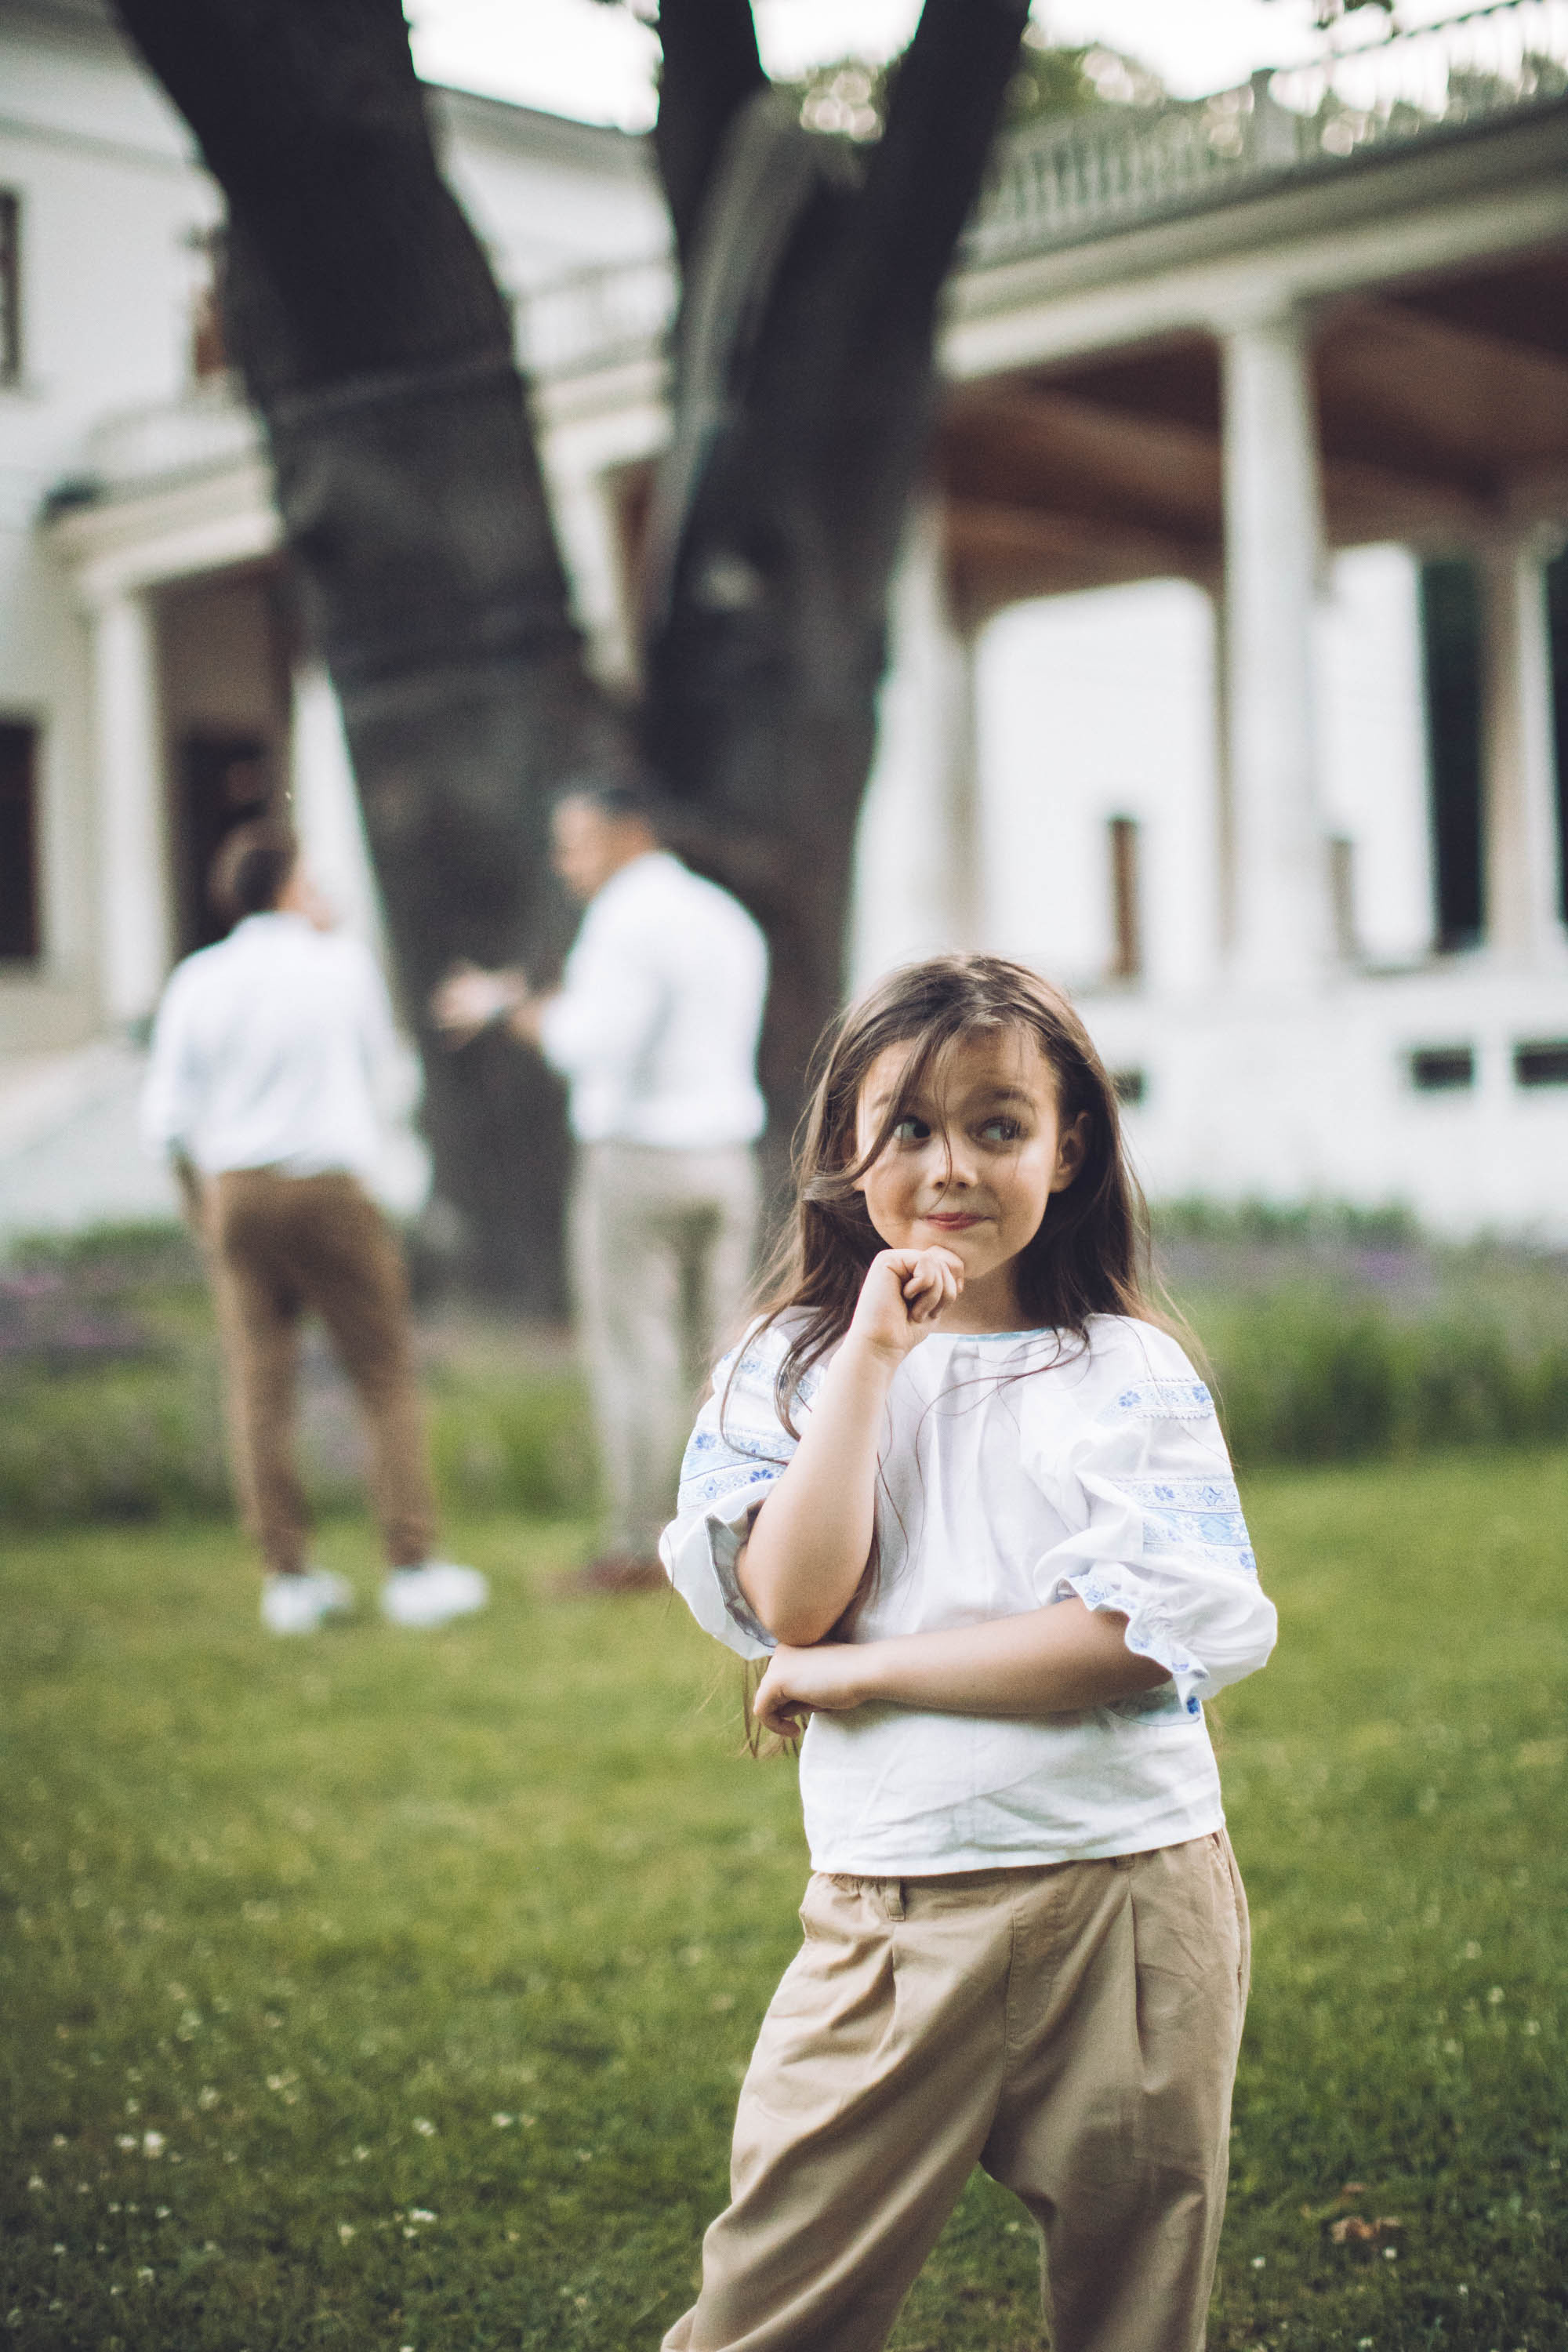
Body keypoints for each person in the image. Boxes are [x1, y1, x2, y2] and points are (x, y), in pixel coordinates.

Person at [659, 953, 1278, 2352]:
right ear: (846, 1147)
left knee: (1135, 2304)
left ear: (1069, 1150)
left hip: (1128, 1896)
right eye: (911, 1127)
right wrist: (871, 1360)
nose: (952, 1166)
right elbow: (791, 1601)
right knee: (772, 2304)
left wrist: (862, 1675)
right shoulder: (789, 1366)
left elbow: (1130, 1639)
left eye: (999, 1125)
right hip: (890, 1912)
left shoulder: (1126, 1370)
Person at [140, 818, 487, 1636]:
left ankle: (287, 1578)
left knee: (260, 1384)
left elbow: (167, 1118)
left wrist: (202, 1209)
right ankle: (411, 1565)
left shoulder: (198, 978)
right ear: (290, 885)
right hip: (328, 1187)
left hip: (237, 1190)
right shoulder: (340, 966)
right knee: (382, 1374)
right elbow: (387, 1078)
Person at [432, 783, 768, 1592]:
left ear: (629, 832)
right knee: (720, 1356)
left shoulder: (625, 917)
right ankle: (731, 1528)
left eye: (576, 841)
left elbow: (592, 1042)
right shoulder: (723, 915)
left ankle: (639, 1544)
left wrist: (505, 1010)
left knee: (633, 1353)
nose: (564, 861)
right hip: (727, 1157)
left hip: (639, 1159)